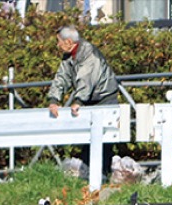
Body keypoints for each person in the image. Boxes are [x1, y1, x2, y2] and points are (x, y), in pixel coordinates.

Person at [46, 25, 120, 176]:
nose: (57, 45)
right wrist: (54, 99)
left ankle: (102, 178)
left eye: (59, 41)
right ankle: (89, 177)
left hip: (104, 98)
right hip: (90, 100)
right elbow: (62, 77)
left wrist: (78, 101)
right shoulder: (69, 56)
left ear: (68, 42)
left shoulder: (88, 53)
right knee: (88, 141)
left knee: (103, 141)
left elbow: (86, 80)